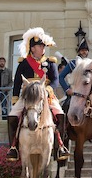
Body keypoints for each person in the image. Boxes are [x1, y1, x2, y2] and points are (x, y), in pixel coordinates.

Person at [7, 27, 70, 162]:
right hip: (28, 95)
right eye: (40, 46)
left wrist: (48, 90)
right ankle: (13, 147)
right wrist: (15, 98)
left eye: (43, 46)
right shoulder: (24, 63)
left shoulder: (50, 62)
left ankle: (60, 146)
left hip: (45, 94)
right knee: (12, 115)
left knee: (60, 114)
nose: (43, 48)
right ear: (33, 48)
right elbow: (18, 81)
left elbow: (55, 80)